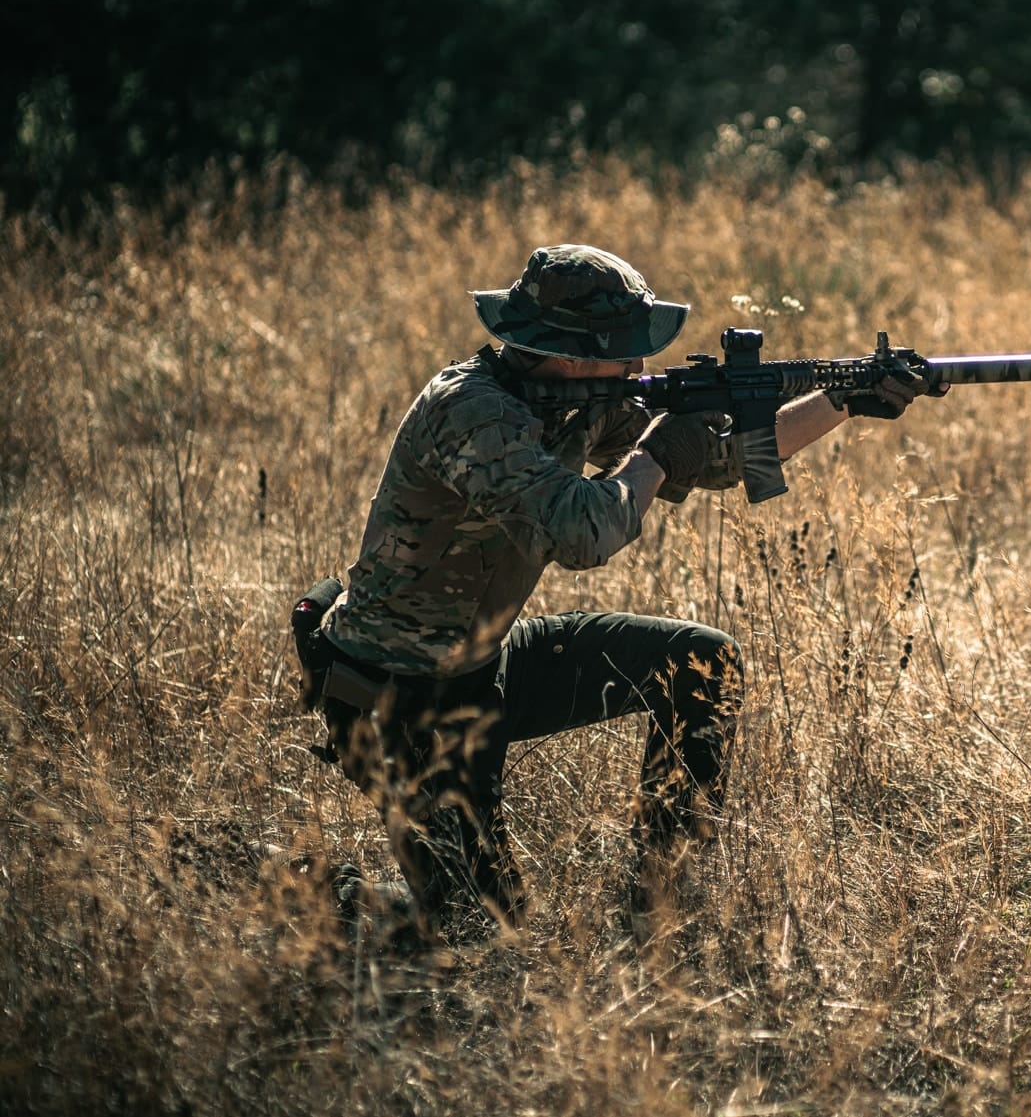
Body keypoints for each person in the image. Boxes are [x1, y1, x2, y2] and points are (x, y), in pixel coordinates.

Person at [292, 243, 933, 940]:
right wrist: (655, 453)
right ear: (567, 354)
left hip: (484, 667)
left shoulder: (585, 396)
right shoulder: (472, 413)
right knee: (479, 930)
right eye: (623, 349)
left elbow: (718, 461)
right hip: (395, 694)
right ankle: (298, 882)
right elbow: (582, 534)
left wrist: (842, 398)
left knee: (702, 662)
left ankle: (658, 906)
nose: (637, 365)